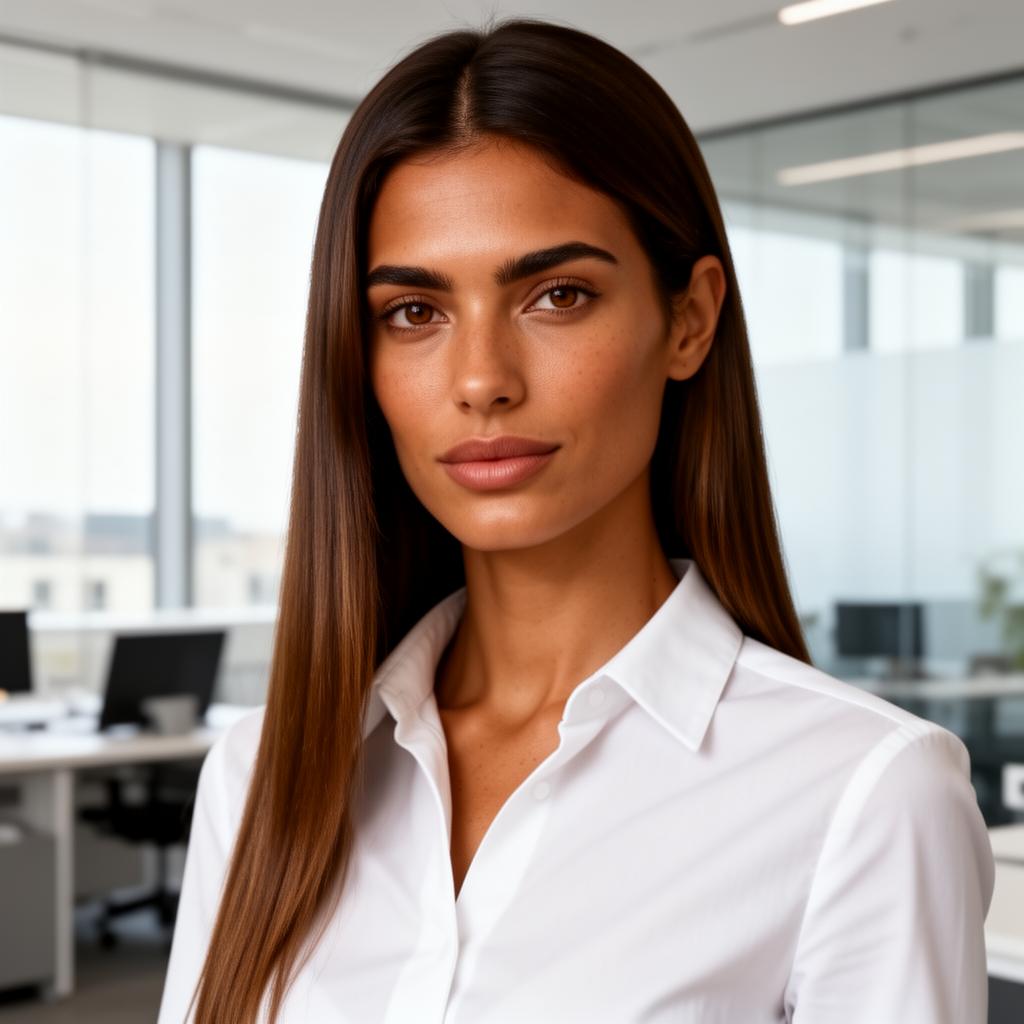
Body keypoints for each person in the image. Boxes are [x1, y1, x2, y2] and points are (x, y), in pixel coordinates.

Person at [157, 16, 994, 1024]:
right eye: (414, 312)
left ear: (687, 320)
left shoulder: (864, 792)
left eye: (556, 295)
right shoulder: (261, 779)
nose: (481, 381)